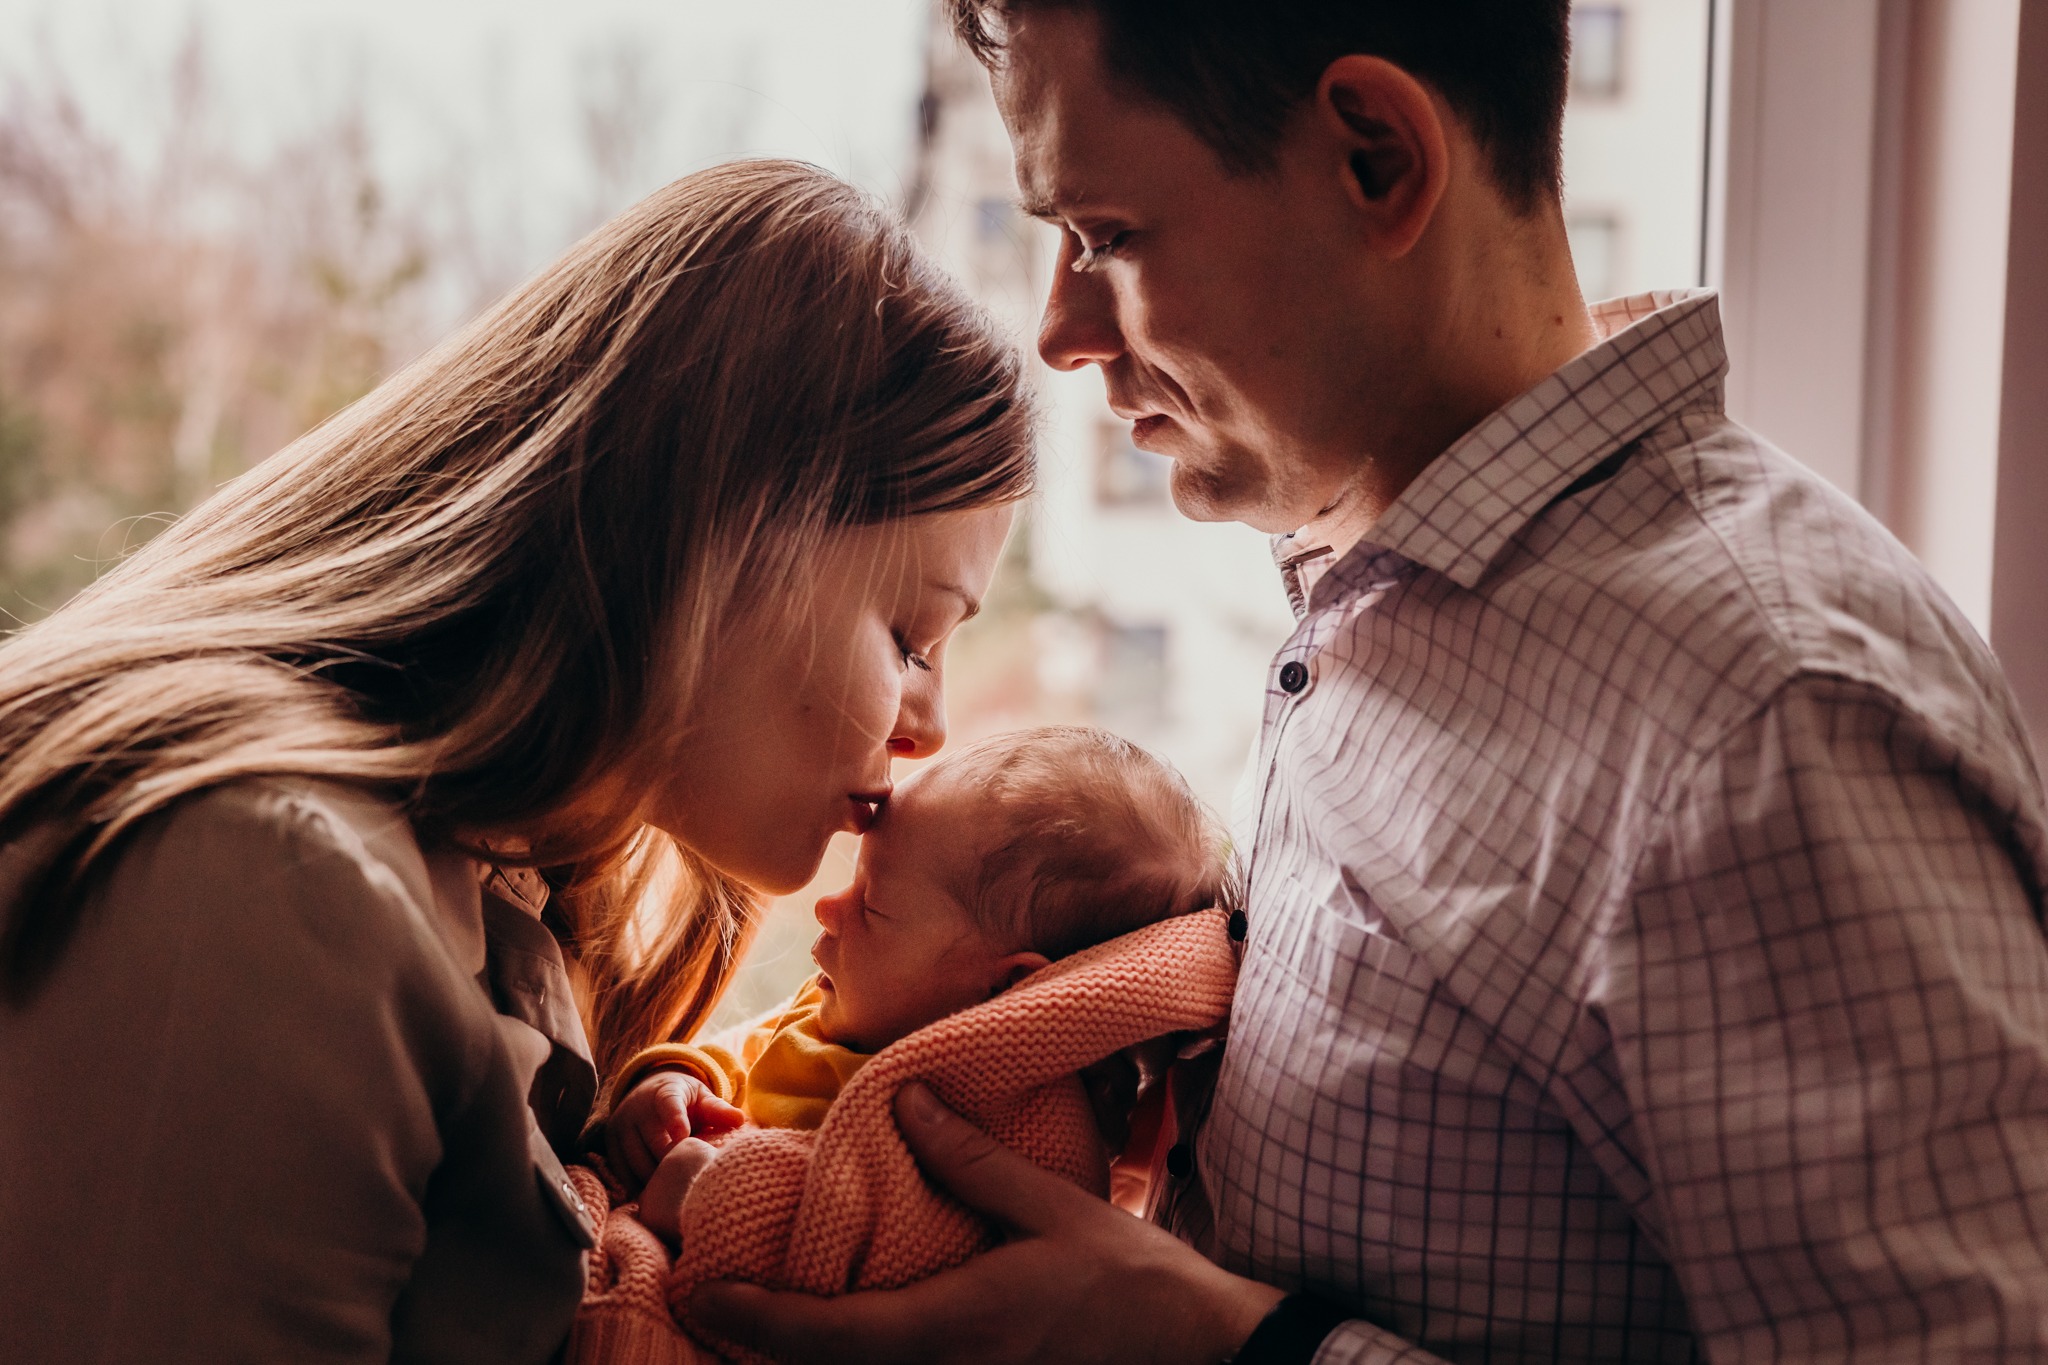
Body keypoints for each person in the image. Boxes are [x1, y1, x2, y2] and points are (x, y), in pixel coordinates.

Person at [694, 5, 2048, 1364]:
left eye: (1106, 234)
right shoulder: (1386, 612)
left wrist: (1215, 1343)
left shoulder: (1768, 720)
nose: (1060, 328)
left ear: (1378, 159)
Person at [0, 159, 1031, 1364]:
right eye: (910, 636)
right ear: (724, 525)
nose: (928, 726)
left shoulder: (505, 904)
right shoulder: (264, 893)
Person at [599, 725, 1225, 1239]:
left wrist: (714, 1201)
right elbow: (738, 1059)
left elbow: (903, 1258)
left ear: (1004, 993)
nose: (828, 907)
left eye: (872, 906)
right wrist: (674, 1084)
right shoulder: (844, 1013)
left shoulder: (1019, 1138)